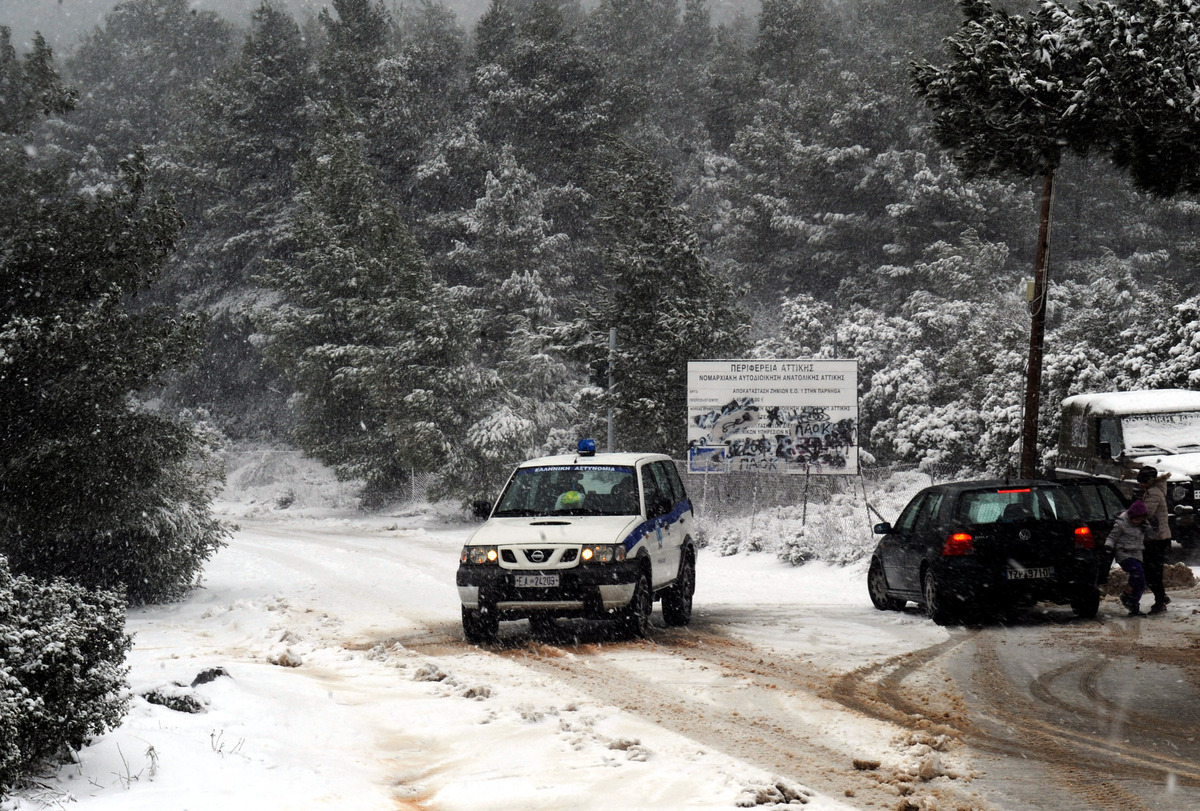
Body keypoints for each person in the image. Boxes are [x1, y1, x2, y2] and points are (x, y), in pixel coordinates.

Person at [1137, 466, 1173, 614]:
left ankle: (1160, 600)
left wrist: (1131, 513)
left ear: (1146, 481)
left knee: (1152, 571)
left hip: (1156, 538)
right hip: (1158, 537)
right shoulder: (1153, 491)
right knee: (1153, 570)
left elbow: (1147, 513)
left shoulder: (1153, 493)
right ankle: (1161, 597)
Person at [1105, 499, 1151, 616]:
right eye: (1135, 519)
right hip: (1124, 553)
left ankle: (1133, 605)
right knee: (1137, 572)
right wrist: (1108, 546)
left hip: (1137, 553)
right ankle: (1127, 595)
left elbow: (1152, 534)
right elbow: (1112, 537)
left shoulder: (1143, 524)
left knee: (1141, 582)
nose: (1137, 521)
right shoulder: (1121, 523)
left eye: (1140, 519)